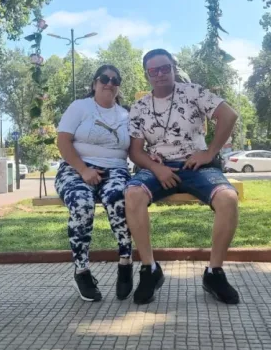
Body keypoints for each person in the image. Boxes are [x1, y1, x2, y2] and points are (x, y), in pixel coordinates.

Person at [124, 49, 241, 305]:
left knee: (228, 198)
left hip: (196, 165)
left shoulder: (193, 92)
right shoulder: (140, 107)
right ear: (147, 75)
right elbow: (135, 151)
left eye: (165, 68)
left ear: (174, 68)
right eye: (153, 71)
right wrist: (157, 169)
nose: (160, 75)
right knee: (132, 194)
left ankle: (214, 273)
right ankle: (149, 269)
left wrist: (209, 152)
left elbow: (229, 115)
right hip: (158, 167)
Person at [55, 65, 133, 302]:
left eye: (115, 79)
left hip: (116, 170)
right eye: (104, 78)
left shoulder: (126, 115)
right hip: (75, 169)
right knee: (82, 203)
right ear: (94, 83)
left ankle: (125, 263)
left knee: (118, 197)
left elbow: (139, 147)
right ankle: (82, 270)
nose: (109, 83)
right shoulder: (80, 107)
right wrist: (83, 170)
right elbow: (63, 141)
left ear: (119, 85)